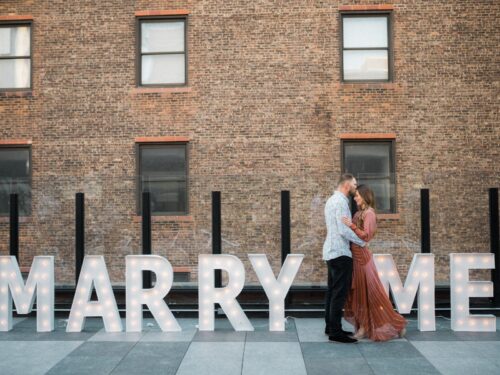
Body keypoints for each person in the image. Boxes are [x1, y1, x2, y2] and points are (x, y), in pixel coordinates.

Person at [342, 185, 407, 341]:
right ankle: (363, 327)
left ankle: (395, 324)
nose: (355, 198)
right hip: (355, 258)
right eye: (355, 196)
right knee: (359, 296)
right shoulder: (358, 213)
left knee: (371, 296)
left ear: (365, 196)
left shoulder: (369, 214)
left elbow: (366, 236)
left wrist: (350, 225)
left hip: (363, 261)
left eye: (357, 195)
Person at [323, 173, 366, 343]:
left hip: (331, 251)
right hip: (340, 252)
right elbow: (343, 229)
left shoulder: (331, 200)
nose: (357, 187)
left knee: (332, 292)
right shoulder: (341, 201)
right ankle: (335, 332)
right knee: (338, 293)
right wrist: (361, 241)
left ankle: (331, 327)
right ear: (347, 185)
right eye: (355, 184)